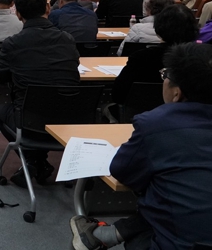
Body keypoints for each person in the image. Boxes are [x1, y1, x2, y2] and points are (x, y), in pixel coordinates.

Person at [70, 42, 212, 250]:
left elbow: (123, 172)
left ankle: (103, 234)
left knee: (161, 197)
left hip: (181, 242)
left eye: (165, 75)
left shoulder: (156, 124)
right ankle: (107, 234)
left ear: (176, 92)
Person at [0, 0, 79, 188]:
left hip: (29, 120)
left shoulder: (13, 43)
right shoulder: (67, 39)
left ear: (17, 13)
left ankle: (33, 160)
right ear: (48, 8)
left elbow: (0, 75)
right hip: (69, 118)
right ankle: (38, 162)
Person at [111, 4, 198, 105]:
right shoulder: (201, 57)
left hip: (140, 110)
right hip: (191, 112)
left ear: (157, 29)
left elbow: (118, 95)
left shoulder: (141, 58)